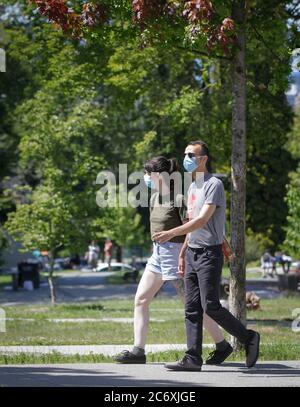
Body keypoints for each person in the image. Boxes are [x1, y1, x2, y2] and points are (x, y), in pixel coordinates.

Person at [152, 140, 260, 371]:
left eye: (191, 155)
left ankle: (248, 337)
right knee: (191, 307)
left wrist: (170, 233)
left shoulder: (214, 185)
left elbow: (202, 220)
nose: (186, 158)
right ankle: (192, 358)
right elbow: (192, 225)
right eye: (185, 154)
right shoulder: (193, 187)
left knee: (210, 305)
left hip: (209, 254)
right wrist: (182, 253)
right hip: (192, 253)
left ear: (204, 159)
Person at [113, 156, 231, 365]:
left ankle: (222, 346)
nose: (145, 177)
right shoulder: (154, 197)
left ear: (159, 175)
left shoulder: (179, 197)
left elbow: (193, 225)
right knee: (141, 299)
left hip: (177, 253)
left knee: (191, 304)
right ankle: (138, 351)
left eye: (148, 173)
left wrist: (184, 254)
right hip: (158, 254)